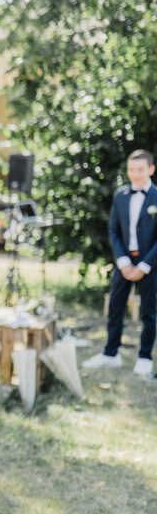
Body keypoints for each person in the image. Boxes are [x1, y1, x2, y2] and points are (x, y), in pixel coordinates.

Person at [84, 149, 157, 375]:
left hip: (150, 264)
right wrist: (123, 261)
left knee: (149, 311)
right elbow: (114, 230)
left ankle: (144, 356)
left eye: (140, 170)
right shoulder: (120, 195)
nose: (135, 174)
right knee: (115, 307)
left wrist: (144, 266)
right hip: (124, 262)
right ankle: (110, 353)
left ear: (151, 170)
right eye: (131, 170)